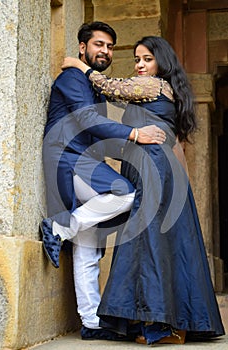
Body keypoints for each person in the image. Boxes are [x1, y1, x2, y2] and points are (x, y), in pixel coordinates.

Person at [61, 36, 225, 344]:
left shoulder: (155, 86)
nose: (139, 65)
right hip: (155, 170)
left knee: (147, 240)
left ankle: (159, 326)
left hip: (152, 169)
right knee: (156, 241)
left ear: (161, 62)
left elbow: (110, 88)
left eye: (147, 59)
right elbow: (122, 98)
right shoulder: (155, 92)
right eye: (137, 59)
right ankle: (169, 324)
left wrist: (79, 66)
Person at [40, 22, 166, 341]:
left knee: (90, 246)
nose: (105, 52)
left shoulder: (91, 82)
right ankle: (58, 227)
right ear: (82, 48)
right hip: (69, 156)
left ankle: (90, 321)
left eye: (110, 47)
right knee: (125, 194)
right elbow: (87, 120)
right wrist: (135, 134)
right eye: (98, 45)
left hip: (85, 159)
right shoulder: (72, 77)